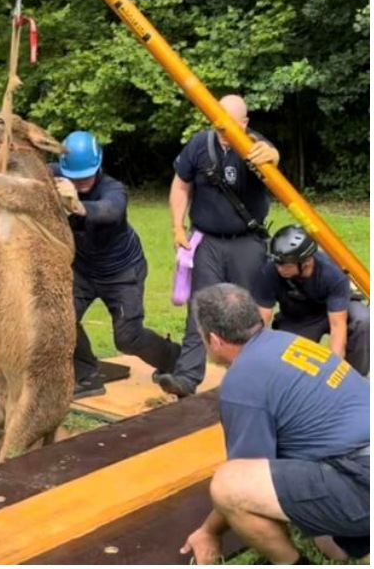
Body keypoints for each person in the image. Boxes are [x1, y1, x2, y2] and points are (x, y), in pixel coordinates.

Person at [180, 283, 368, 565]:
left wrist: (208, 531)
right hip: (360, 464)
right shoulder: (290, 342)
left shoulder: (242, 382)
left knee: (228, 485)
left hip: (361, 477)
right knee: (328, 541)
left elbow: (244, 478)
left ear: (215, 340)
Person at [161, 94, 280, 398]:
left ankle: (252, 382)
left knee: (249, 312)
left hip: (247, 242)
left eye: (230, 124)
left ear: (244, 122)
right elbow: (181, 184)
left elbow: (273, 157)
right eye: (218, 122)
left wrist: (272, 157)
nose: (223, 129)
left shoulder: (255, 145)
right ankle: (186, 378)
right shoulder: (200, 144)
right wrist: (178, 225)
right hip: (208, 241)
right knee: (200, 306)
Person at [51, 131, 182, 398]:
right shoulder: (56, 174)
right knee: (60, 320)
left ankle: (173, 359)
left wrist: (75, 203)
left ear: (99, 164)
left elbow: (110, 211)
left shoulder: (114, 189)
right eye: (75, 178)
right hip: (83, 271)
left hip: (123, 272)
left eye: (87, 175)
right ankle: (87, 376)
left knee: (127, 337)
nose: (82, 181)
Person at [253, 225, 369, 376]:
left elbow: (337, 326)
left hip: (336, 311)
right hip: (299, 317)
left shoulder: (332, 274)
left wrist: (335, 373)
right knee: (285, 365)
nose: (280, 268)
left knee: (364, 319)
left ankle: (354, 380)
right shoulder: (270, 271)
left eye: (286, 265)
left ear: (306, 262)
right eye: (277, 263)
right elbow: (262, 317)